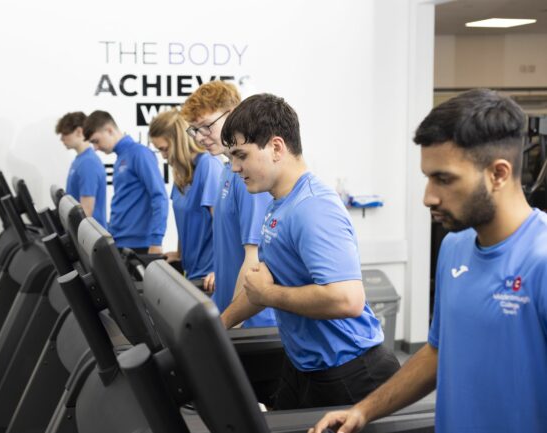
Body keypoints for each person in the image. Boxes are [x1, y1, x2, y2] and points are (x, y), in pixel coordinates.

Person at [309, 89, 547, 433]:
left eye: (444, 179)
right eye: (428, 177)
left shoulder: (540, 260)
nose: (428, 197)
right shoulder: (454, 247)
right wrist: (364, 409)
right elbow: (437, 353)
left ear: (498, 174)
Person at [220, 93, 399, 409]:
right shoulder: (279, 204)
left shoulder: (313, 206)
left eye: (241, 155)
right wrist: (218, 327)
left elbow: (348, 299)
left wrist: (270, 296)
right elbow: (260, 285)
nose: (234, 167)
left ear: (276, 148)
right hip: (303, 364)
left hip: (350, 371)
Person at [182, 81, 276, 327]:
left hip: (251, 323)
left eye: (206, 127)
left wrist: (231, 324)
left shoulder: (249, 177)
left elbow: (253, 260)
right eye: (194, 130)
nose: (201, 137)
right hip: (228, 310)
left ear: (234, 114)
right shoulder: (228, 170)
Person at [149, 108, 222, 289]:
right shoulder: (182, 174)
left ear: (179, 141)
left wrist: (222, 270)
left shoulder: (208, 165)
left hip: (209, 277)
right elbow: (186, 219)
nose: (164, 157)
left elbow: (222, 225)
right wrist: (179, 254)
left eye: (165, 149)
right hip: (192, 272)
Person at [83, 110, 168, 254]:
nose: (96, 148)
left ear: (109, 130)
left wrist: (156, 241)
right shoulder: (121, 157)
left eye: (96, 141)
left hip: (139, 246)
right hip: (119, 241)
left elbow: (159, 197)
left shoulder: (139, 153)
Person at [55, 111, 107, 226]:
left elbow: (86, 212)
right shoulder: (80, 160)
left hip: (90, 237)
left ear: (79, 131)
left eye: (64, 134)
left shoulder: (88, 163)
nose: (62, 139)